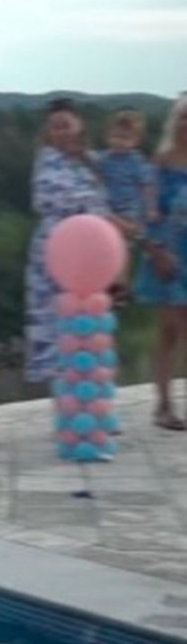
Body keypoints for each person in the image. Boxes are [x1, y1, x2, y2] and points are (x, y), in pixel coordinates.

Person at [25, 98, 110, 384]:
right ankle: (66, 397)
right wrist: (96, 211)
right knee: (58, 324)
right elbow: (49, 198)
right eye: (55, 127)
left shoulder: (94, 161)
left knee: (89, 324)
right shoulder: (47, 160)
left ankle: (92, 393)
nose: (61, 132)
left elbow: (112, 196)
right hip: (56, 251)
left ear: (79, 125)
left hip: (91, 253)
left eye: (66, 125)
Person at [134, 94, 187, 430]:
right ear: (174, 122)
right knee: (170, 331)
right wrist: (155, 251)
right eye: (183, 117)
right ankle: (164, 406)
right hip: (167, 256)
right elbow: (144, 215)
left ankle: (166, 404)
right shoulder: (159, 164)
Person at [96, 109, 158, 305]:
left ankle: (121, 284)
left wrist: (150, 208)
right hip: (108, 207)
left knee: (122, 244)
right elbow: (94, 176)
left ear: (135, 141)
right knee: (105, 244)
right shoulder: (103, 159)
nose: (119, 142)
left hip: (129, 210)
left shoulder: (136, 161)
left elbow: (147, 185)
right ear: (107, 136)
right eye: (116, 137)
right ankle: (105, 279)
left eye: (125, 138)